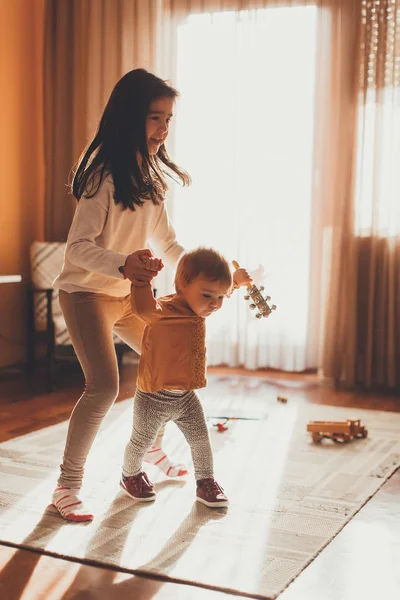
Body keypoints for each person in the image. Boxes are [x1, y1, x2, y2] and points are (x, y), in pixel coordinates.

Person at [51, 69, 247, 522]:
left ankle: (151, 451)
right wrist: (123, 264)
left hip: (128, 296)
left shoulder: (152, 181)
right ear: (127, 118)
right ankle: (67, 486)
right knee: (104, 386)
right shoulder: (102, 177)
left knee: (169, 367)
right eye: (153, 118)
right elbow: (78, 249)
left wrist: (214, 276)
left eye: (168, 120)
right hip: (85, 295)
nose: (162, 129)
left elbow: (172, 248)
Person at [120, 247, 252, 508]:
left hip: (186, 398)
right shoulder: (162, 310)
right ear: (181, 285)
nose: (214, 303)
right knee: (141, 441)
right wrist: (142, 280)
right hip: (152, 398)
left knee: (201, 440)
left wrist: (235, 282)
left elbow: (219, 290)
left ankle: (206, 482)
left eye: (220, 297)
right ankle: (130, 475)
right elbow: (142, 307)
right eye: (207, 295)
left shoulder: (199, 305)